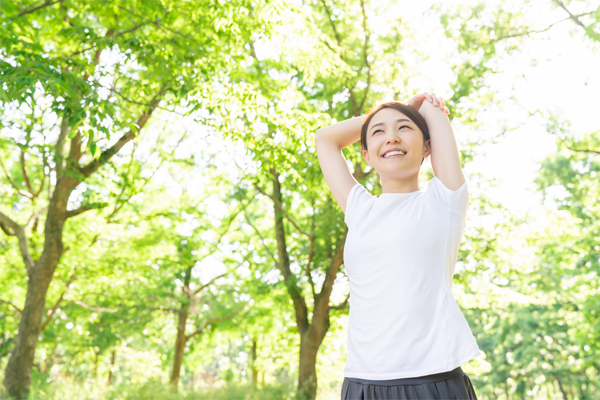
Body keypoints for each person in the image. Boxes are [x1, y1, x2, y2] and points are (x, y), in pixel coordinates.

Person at [314, 92, 482, 400]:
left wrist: (413, 109)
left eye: (405, 129)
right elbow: (325, 139)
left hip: (431, 380)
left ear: (427, 148)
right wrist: (394, 112)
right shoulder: (360, 210)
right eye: (379, 133)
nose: (391, 138)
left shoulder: (445, 201)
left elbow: (433, 109)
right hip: (362, 382)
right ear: (366, 154)